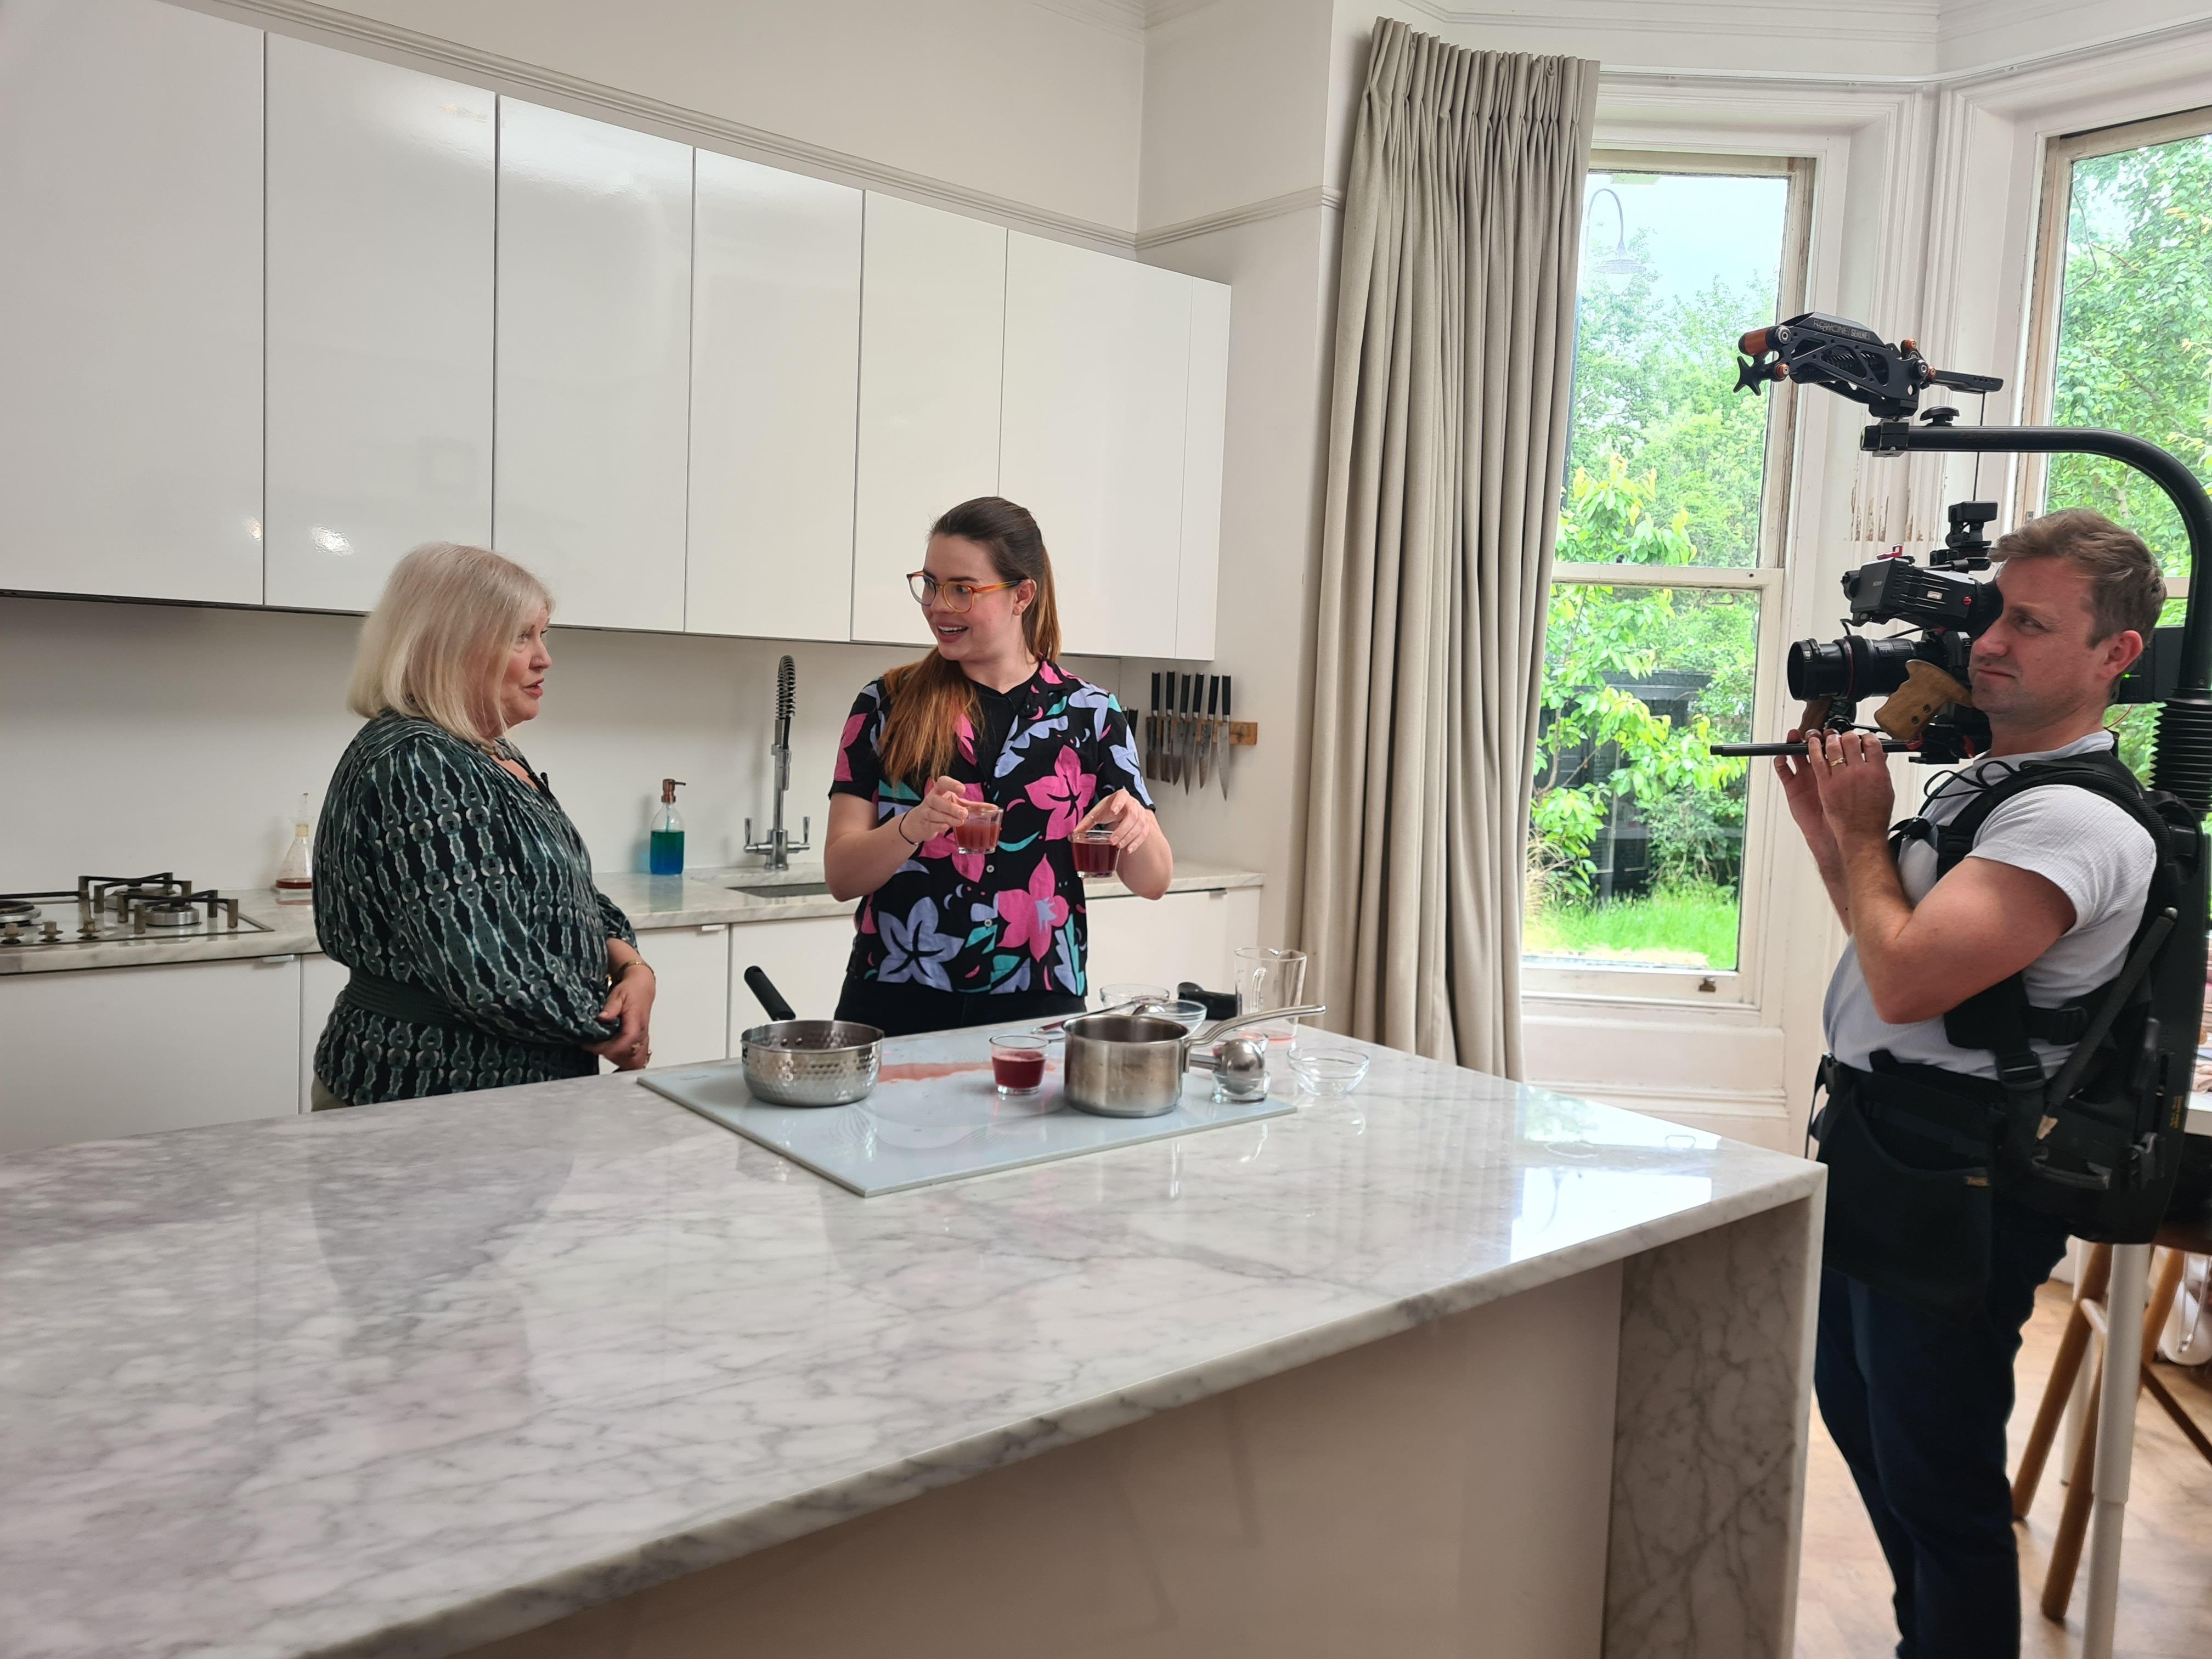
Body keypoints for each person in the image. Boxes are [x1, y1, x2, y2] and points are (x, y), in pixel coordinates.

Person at [1775, 509, 2166, 1657]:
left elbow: (1900, 983)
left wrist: (1861, 828)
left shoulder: (2072, 823)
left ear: (2114, 656)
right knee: (1877, 1440)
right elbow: (1895, 937)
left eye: (2032, 623)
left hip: (1964, 1180)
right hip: (1883, 1146)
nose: (1990, 640)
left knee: (1939, 1488)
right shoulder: (1992, 786)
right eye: (1992, 612)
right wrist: (1828, 828)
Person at [311, 543, 656, 1107]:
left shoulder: (491, 752)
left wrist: (632, 967)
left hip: (513, 1095)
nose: (544, 658)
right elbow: (485, 967)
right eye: (522, 636)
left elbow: (570, 894)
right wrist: (608, 1031)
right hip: (427, 1092)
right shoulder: (418, 760)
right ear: (453, 645)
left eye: (544, 635)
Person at [823, 496, 1171, 1036]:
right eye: (931, 584)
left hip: (1037, 1000)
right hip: (894, 994)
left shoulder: (1091, 714)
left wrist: (1136, 823)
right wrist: (913, 825)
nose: (938, 604)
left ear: (1022, 595)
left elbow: (1152, 881)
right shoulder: (884, 705)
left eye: (962, 588)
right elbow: (842, 876)